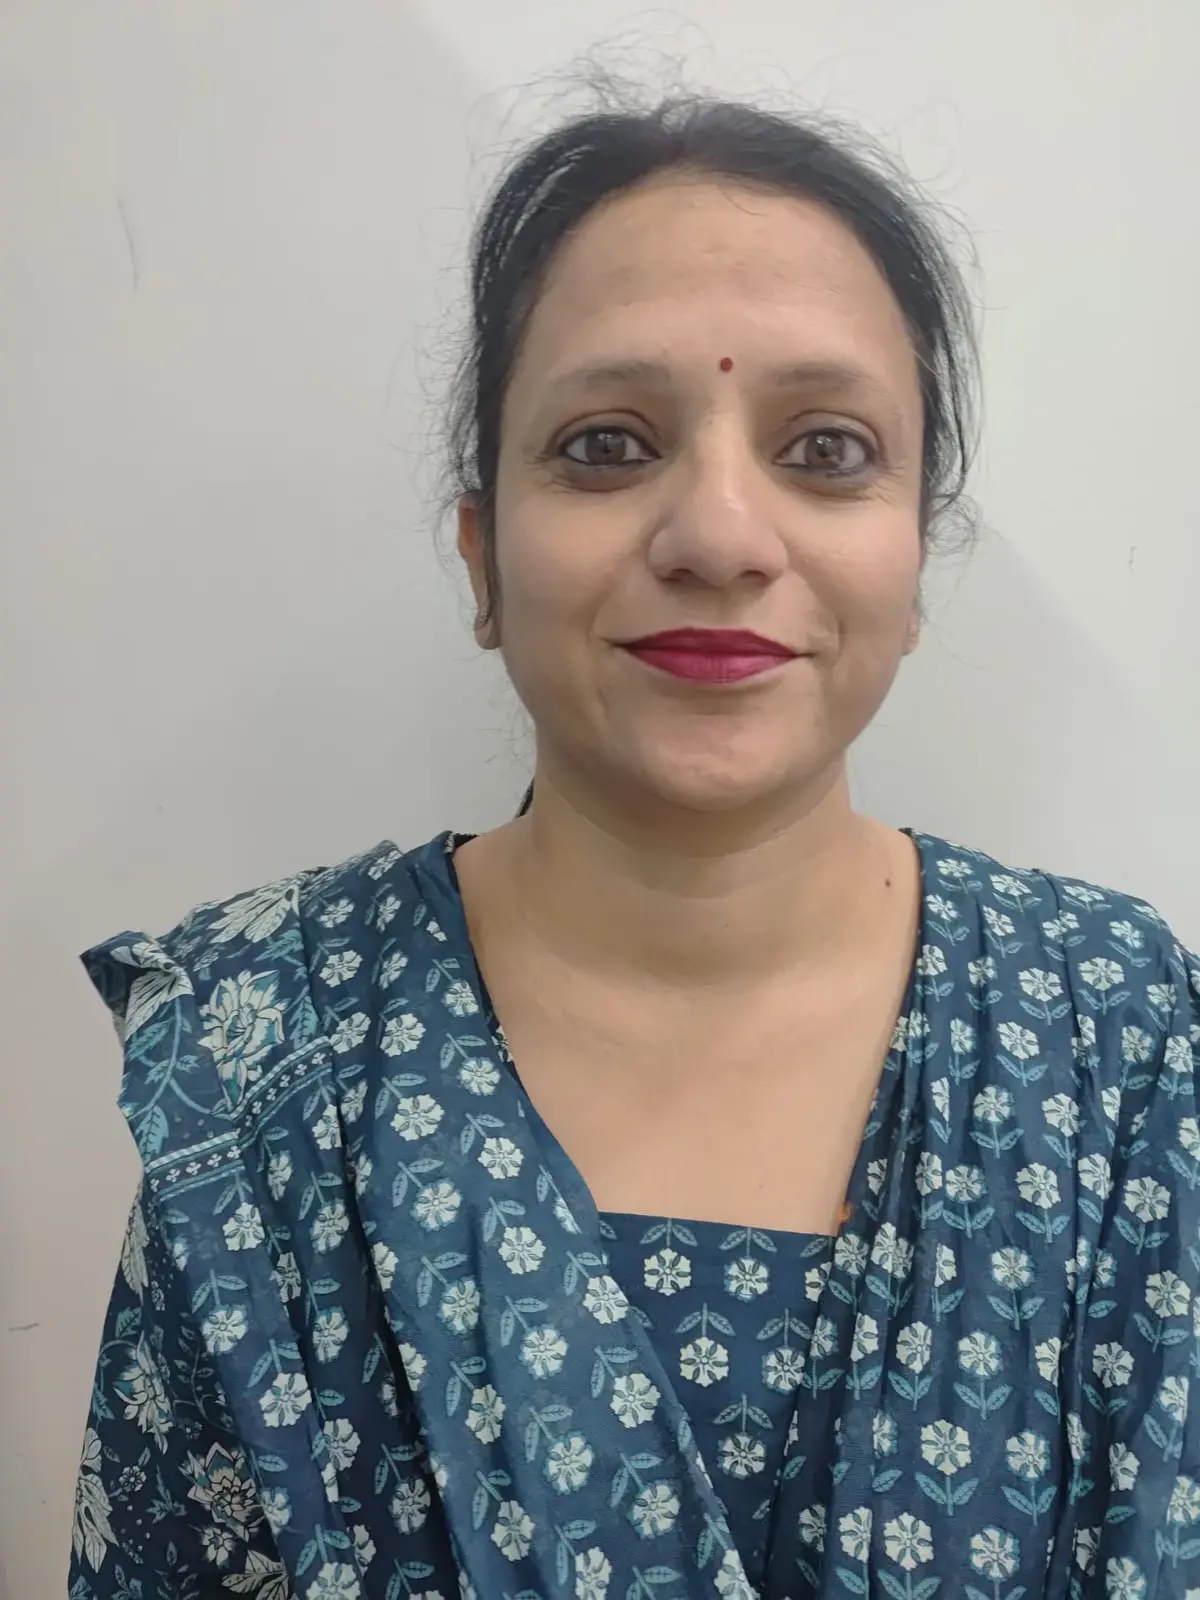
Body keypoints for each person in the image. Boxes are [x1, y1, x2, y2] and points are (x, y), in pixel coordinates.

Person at [69, 92, 1199, 1600]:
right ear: (483, 556)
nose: (720, 535)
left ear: (915, 561)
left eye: (826, 447)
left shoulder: (1119, 1044)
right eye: (607, 445)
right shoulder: (264, 1062)